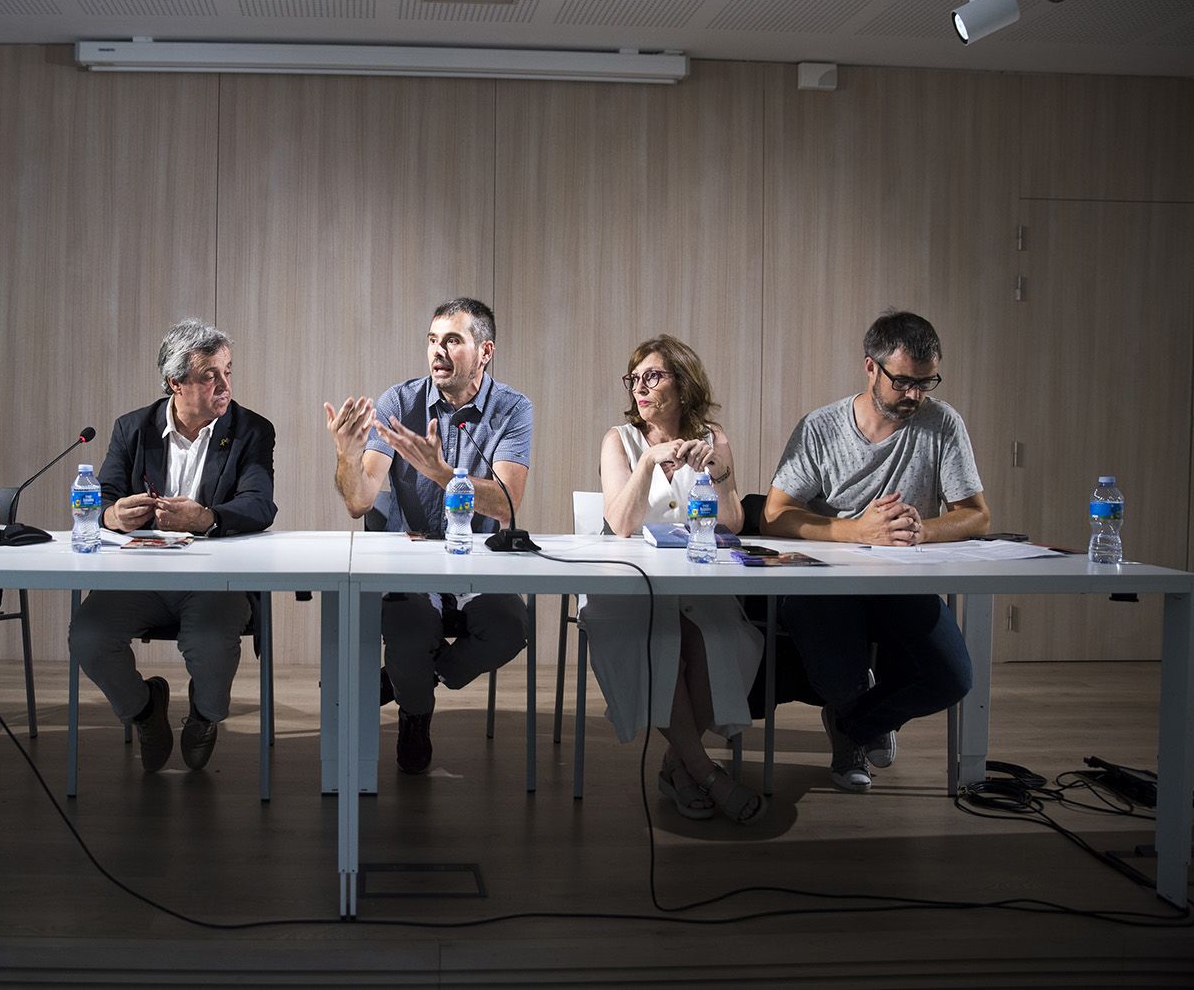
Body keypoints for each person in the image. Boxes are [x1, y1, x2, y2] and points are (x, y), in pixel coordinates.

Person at [762, 310, 989, 792]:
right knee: (839, 678)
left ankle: (853, 725)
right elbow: (775, 514)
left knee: (952, 679)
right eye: (903, 382)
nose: (914, 395)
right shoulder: (821, 428)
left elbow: (976, 515)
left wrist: (922, 531)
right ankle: (854, 723)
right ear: (870, 368)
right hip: (825, 582)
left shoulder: (942, 423)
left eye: (925, 383)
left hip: (902, 581)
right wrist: (857, 530)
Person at [324, 296, 533, 775]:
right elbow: (359, 500)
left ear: (485, 351)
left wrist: (442, 473)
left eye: (453, 341)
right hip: (409, 560)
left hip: (476, 562)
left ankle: (408, 682)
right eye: (433, 340)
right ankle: (415, 713)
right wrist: (347, 457)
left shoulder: (512, 409)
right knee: (409, 630)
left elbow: (506, 504)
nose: (438, 351)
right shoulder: (400, 402)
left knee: (511, 627)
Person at [68, 319, 277, 773]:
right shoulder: (133, 428)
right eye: (209, 375)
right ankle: (145, 709)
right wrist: (111, 514)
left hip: (213, 580)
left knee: (209, 640)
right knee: (88, 635)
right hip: (139, 576)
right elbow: (103, 497)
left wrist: (206, 517)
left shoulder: (251, 430)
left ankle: (204, 716)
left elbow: (260, 506)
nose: (225, 385)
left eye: (228, 372)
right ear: (174, 383)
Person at [579, 336, 765, 823]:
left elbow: (731, 522)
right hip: (626, 587)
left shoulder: (713, 437)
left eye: (652, 376)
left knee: (722, 640)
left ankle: (676, 763)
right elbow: (621, 523)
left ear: (682, 384)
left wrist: (718, 472)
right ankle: (704, 771)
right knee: (668, 642)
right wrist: (646, 463)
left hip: (696, 584)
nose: (640, 387)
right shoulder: (618, 441)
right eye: (634, 378)